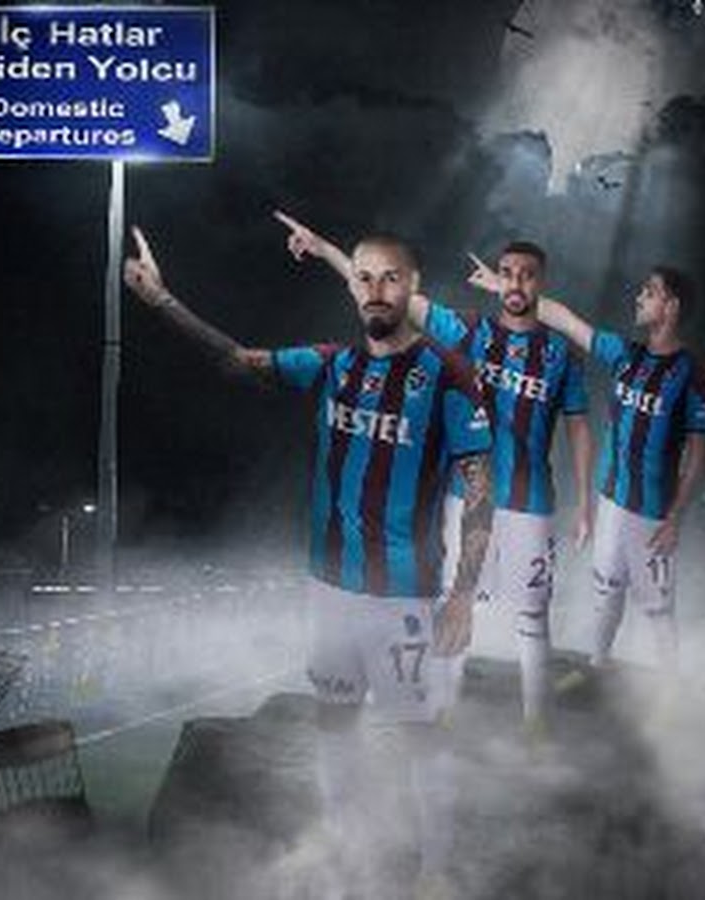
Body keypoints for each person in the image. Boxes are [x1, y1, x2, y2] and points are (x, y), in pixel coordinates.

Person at [124, 226, 493, 895]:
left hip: (404, 598)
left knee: (419, 736)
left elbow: (479, 492)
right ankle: (346, 857)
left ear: (412, 287)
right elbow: (236, 360)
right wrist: (161, 300)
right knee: (335, 725)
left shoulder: (449, 376)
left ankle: (438, 870)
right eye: (363, 277)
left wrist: (464, 595)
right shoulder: (333, 365)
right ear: (351, 287)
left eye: (390, 277)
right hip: (330, 591)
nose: (375, 289)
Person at [275, 212, 593, 737]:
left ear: (541, 282)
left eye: (527, 275)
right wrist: (323, 248)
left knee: (532, 617)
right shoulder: (466, 330)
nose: (515, 283)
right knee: (448, 608)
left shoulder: (562, 356)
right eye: (507, 273)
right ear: (497, 280)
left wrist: (586, 503)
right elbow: (382, 289)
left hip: (531, 504)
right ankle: (439, 715)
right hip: (463, 498)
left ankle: (537, 726)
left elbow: (578, 427)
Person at [467, 258, 705, 678]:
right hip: (611, 499)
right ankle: (597, 668)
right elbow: (566, 321)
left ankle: (671, 692)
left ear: (671, 306)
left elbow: (698, 453)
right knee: (606, 588)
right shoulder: (625, 354)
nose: (639, 297)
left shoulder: (694, 375)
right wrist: (503, 288)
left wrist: (675, 518)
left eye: (650, 291)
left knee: (658, 607)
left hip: (653, 513)